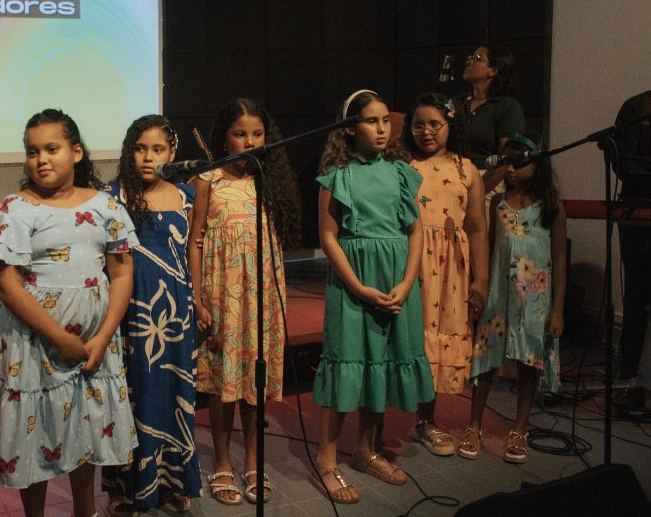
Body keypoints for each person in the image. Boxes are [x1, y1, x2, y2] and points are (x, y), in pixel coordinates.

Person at [0, 108, 138, 517]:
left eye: (52, 149)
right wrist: (59, 338)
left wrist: (103, 336)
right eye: (32, 152)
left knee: (84, 423)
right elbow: (7, 283)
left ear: (76, 152)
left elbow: (121, 273)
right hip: (35, 345)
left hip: (93, 345)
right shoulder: (16, 209)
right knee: (35, 432)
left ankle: (85, 510)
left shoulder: (105, 206)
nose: (41, 159)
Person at [310, 89, 433, 505]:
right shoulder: (338, 174)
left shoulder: (399, 172)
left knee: (379, 364)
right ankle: (326, 460)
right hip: (354, 283)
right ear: (350, 128)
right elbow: (329, 237)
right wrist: (358, 287)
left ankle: (366, 449)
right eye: (371, 121)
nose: (382, 129)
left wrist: (407, 282)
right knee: (347, 362)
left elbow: (415, 230)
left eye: (385, 121)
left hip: (395, 281)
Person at [190, 98, 301, 506]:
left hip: (260, 296)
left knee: (255, 380)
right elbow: (195, 241)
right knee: (223, 381)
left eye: (257, 134)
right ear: (224, 138)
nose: (250, 141)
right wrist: (198, 297)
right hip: (222, 293)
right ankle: (222, 461)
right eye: (240, 134)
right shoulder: (209, 179)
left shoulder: (270, 179)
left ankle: (254, 461)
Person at [101, 114, 201, 514]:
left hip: (176, 313)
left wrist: (199, 301)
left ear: (172, 152)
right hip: (132, 310)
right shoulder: (112, 195)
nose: (148, 157)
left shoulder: (186, 195)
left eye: (157, 149)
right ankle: (127, 486)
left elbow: (193, 249)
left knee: (175, 395)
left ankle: (173, 481)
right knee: (133, 396)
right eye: (140, 148)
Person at [466, 132, 566, 463]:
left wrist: (557, 309)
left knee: (528, 364)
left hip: (533, 299)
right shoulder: (498, 203)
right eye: (507, 162)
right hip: (498, 294)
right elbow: (488, 247)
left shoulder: (552, 207)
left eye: (518, 162)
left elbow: (559, 258)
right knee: (485, 359)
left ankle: (520, 429)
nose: (511, 169)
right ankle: (474, 425)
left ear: (538, 164)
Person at [402, 93, 489, 456]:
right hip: (413, 262)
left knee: (440, 336)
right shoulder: (404, 166)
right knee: (415, 336)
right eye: (418, 125)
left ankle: (427, 418)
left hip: (451, 267)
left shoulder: (466, 170)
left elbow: (477, 227)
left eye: (434, 124)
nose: (426, 131)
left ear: (451, 125)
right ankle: (399, 420)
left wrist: (481, 278)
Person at [613, 90, 651, 414]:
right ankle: (630, 383)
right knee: (638, 299)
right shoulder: (638, 107)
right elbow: (624, 163)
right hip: (640, 216)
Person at [456, 45, 526, 194]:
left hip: (488, 181)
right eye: (470, 57)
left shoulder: (506, 106)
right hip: (454, 176)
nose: (469, 61)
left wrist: (478, 191)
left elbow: (505, 159)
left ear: (493, 70)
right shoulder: (458, 103)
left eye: (477, 58)